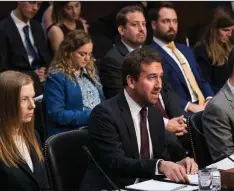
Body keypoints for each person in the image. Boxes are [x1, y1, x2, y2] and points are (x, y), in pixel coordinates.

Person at [80, 47, 198, 190]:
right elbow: (115, 163)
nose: (159, 85)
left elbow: (161, 157)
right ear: (131, 81)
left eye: (160, 77)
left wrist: (178, 163)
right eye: (152, 77)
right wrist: (159, 165)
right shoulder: (104, 114)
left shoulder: (154, 113)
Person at [100, 5, 189, 138]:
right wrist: (164, 124)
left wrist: (179, 119)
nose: (142, 29)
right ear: (121, 30)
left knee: (198, 124)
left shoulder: (152, 53)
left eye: (143, 24)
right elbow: (125, 103)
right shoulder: (113, 60)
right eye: (135, 25)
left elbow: (167, 91)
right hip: (142, 126)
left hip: (170, 119)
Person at [150, 2, 214, 114]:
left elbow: (201, 79)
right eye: (166, 21)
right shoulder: (150, 54)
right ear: (154, 25)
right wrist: (188, 106)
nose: (172, 26)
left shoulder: (186, 50)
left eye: (175, 21)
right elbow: (162, 92)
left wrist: (209, 98)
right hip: (182, 111)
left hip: (205, 106)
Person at [44, 30, 104, 136]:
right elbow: (57, 114)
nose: (87, 59)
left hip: (98, 127)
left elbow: (102, 101)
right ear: (69, 52)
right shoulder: (57, 76)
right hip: (74, 133)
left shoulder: (91, 71)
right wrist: (91, 115)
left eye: (89, 54)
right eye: (82, 54)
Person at [0, 71, 49, 191]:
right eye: (24, 99)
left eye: (33, 97)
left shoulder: (34, 135)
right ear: (5, 104)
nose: (32, 105)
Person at [0, 2, 52, 96]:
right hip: (19, 86)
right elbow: (4, 70)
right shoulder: (1, 29)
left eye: (39, 5)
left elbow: (47, 58)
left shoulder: (37, 26)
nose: (35, 8)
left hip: (44, 81)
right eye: (32, 2)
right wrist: (33, 75)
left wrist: (45, 70)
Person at [194, 7, 234, 94]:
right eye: (225, 30)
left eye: (232, 30)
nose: (230, 34)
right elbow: (205, 85)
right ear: (213, 29)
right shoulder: (202, 51)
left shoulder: (230, 45)